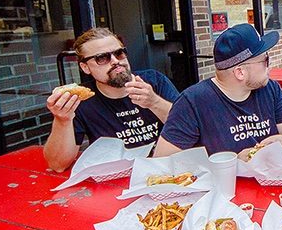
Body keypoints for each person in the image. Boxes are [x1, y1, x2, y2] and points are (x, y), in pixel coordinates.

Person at [154, 23, 282, 159]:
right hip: (222, 188)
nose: (269, 64)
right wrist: (233, 164)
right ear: (240, 72)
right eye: (265, 60)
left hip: (272, 183)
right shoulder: (193, 102)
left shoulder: (270, 89)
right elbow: (162, 162)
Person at [44, 27, 180, 172]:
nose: (115, 61)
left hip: (165, 169)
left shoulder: (154, 81)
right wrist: (62, 121)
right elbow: (58, 165)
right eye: (102, 58)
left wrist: (154, 102)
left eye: (119, 53)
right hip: (114, 178)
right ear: (85, 68)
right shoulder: (81, 100)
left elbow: (189, 126)